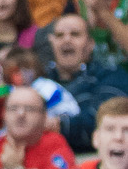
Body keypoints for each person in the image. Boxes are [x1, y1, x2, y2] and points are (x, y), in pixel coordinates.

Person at [43, 12, 128, 154]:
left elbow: (105, 122)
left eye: (75, 34)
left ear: (90, 44)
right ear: (51, 42)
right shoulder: (38, 80)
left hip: (91, 159)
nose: (66, 40)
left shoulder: (111, 75)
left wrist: (58, 125)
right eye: (59, 35)